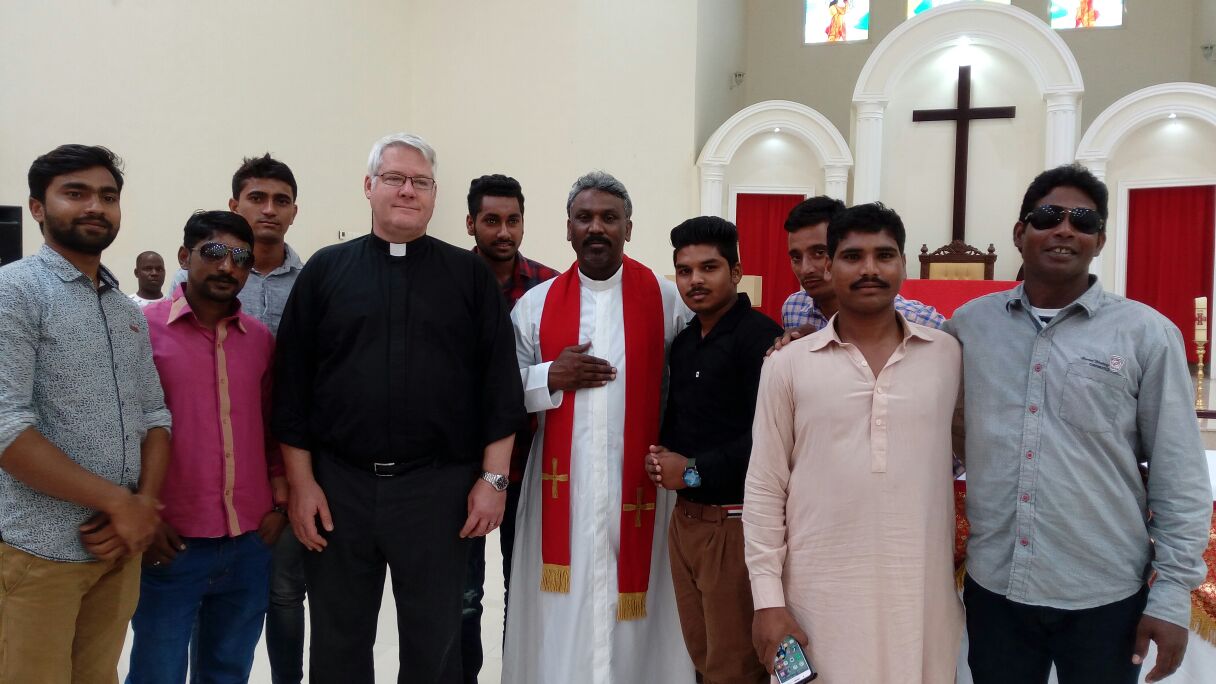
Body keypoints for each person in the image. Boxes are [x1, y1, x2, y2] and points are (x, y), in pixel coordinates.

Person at [272, 133, 524, 683]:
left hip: (438, 490)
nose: (408, 190)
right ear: (369, 187)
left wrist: (494, 480)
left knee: (436, 647)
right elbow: (291, 388)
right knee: (338, 643)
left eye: (421, 182)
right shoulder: (325, 271)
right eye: (394, 178)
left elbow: (500, 387)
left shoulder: (469, 277)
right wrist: (302, 483)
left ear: (434, 195)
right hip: (339, 489)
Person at [946, 164, 1211, 684]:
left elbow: (1179, 475)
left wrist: (1172, 594)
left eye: (1083, 221)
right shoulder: (969, 327)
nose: (1065, 229)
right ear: (1020, 232)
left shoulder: (1145, 334)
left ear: (1100, 240)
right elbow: (948, 425)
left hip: (1104, 594)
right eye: (1048, 216)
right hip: (996, 588)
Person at [745, 202, 963, 683]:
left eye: (884, 255)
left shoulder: (947, 355)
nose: (869, 269)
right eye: (852, 256)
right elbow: (764, 487)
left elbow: (977, 455)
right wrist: (767, 600)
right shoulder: (787, 364)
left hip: (920, 601)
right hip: (817, 604)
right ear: (831, 265)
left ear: (903, 264)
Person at [503, 171, 695, 684]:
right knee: (561, 607)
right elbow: (500, 389)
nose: (596, 228)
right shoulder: (536, 305)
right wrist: (550, 376)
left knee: (644, 611)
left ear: (628, 228)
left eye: (609, 218)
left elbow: (699, 372)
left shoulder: (667, 300)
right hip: (560, 487)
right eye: (584, 217)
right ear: (567, 227)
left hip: (642, 485)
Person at [0, 144, 171, 682]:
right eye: (75, 193)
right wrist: (119, 503)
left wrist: (141, 506)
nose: (96, 206)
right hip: (40, 552)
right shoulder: (14, 292)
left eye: (108, 196)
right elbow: (6, 428)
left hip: (117, 551)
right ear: (37, 207)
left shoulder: (124, 310)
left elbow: (156, 416)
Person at [126, 210, 286, 683]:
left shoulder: (259, 341)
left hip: (249, 541)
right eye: (214, 252)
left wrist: (278, 504)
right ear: (184, 256)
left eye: (241, 258)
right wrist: (141, 513)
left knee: (228, 672)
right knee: (157, 673)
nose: (227, 267)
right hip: (171, 541)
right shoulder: (140, 331)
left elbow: (272, 429)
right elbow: (121, 432)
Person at [646, 216, 780, 684]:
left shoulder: (760, 339)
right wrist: (661, 459)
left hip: (734, 524)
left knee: (736, 664)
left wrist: (692, 470)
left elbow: (768, 439)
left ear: (736, 272)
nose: (695, 281)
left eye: (709, 267)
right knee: (701, 657)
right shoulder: (685, 342)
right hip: (686, 524)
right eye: (684, 271)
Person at [461, 174, 558, 684]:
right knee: (464, 595)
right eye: (491, 220)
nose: (503, 231)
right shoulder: (449, 279)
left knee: (522, 590)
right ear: (470, 223)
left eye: (512, 220)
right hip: (459, 465)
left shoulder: (550, 287)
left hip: (531, 464)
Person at [168, 154, 302, 336]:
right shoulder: (193, 276)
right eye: (257, 198)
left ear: (293, 213)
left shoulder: (308, 280)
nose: (269, 210)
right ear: (234, 207)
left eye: (282, 201)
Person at [781, 195, 944, 333]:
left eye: (819, 252)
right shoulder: (793, 309)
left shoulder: (922, 322)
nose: (806, 269)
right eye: (796, 257)